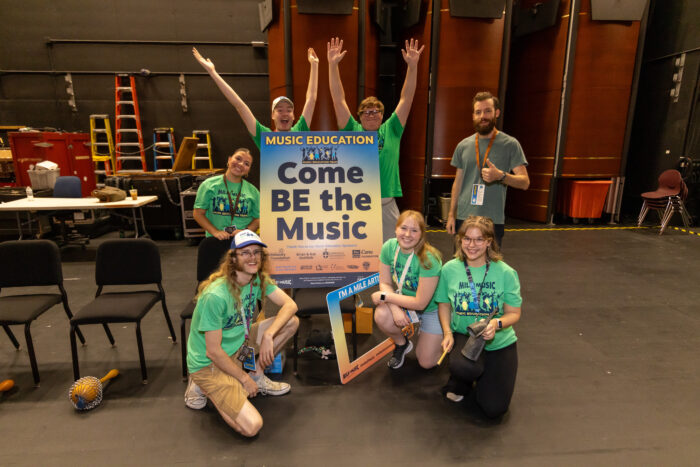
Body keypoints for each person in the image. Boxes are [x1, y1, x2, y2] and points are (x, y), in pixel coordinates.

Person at [184, 229, 299, 437]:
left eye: (256, 252)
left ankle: (257, 375)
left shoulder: (256, 279)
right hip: (210, 363)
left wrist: (269, 335)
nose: (252, 257)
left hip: (239, 345)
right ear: (233, 258)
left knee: (290, 322)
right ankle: (205, 386)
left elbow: (290, 305)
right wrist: (243, 379)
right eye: (245, 252)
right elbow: (213, 352)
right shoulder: (216, 295)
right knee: (252, 426)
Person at [327, 37, 424, 242]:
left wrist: (412, 67)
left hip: (386, 205)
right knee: (356, 254)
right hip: (356, 205)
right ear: (359, 116)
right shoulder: (351, 130)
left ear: (382, 115)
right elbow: (338, 98)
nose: (371, 115)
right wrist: (332, 66)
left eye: (376, 111)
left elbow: (407, 97)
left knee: (394, 251)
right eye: (366, 112)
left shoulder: (392, 129)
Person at [435, 216, 522, 418]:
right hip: (466, 336)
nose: (472, 245)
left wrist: (496, 324)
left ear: (489, 241)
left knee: (494, 409)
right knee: (463, 368)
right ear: (460, 239)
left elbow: (514, 313)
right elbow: (444, 304)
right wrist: (447, 333)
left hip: (499, 342)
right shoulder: (449, 269)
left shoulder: (506, 273)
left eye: (479, 239)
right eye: (467, 238)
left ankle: (482, 378)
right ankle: (462, 381)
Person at [446, 91, 530, 247]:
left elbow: (524, 182)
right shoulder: (463, 146)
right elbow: (458, 183)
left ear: (496, 113)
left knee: (490, 262)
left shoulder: (510, 144)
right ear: (473, 116)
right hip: (464, 219)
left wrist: (501, 176)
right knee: (461, 261)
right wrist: (451, 215)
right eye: (478, 112)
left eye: (487, 111)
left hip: (492, 221)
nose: (482, 116)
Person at [193, 46, 319, 149]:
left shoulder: (300, 130)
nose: (285, 113)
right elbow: (240, 105)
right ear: (273, 115)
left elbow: (311, 99)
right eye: (280, 110)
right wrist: (213, 72)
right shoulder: (264, 136)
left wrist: (314, 65)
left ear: (293, 116)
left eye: (289, 110)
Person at [371, 210, 443, 369]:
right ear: (396, 229)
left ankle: (443, 336)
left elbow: (420, 303)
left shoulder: (429, 258)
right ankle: (402, 344)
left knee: (427, 363)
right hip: (405, 301)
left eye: (414, 230)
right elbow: (385, 282)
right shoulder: (389, 247)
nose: (408, 234)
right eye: (403, 228)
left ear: (422, 234)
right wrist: (394, 308)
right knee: (382, 315)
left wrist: (385, 297)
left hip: (431, 309)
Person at [193, 148, 259, 239]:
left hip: (243, 241)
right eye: (238, 159)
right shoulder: (209, 185)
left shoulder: (253, 191)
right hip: (216, 239)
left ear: (248, 170)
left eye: (246, 164)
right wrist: (215, 232)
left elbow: (258, 218)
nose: (241, 164)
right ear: (229, 159)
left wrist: (245, 232)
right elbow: (198, 213)